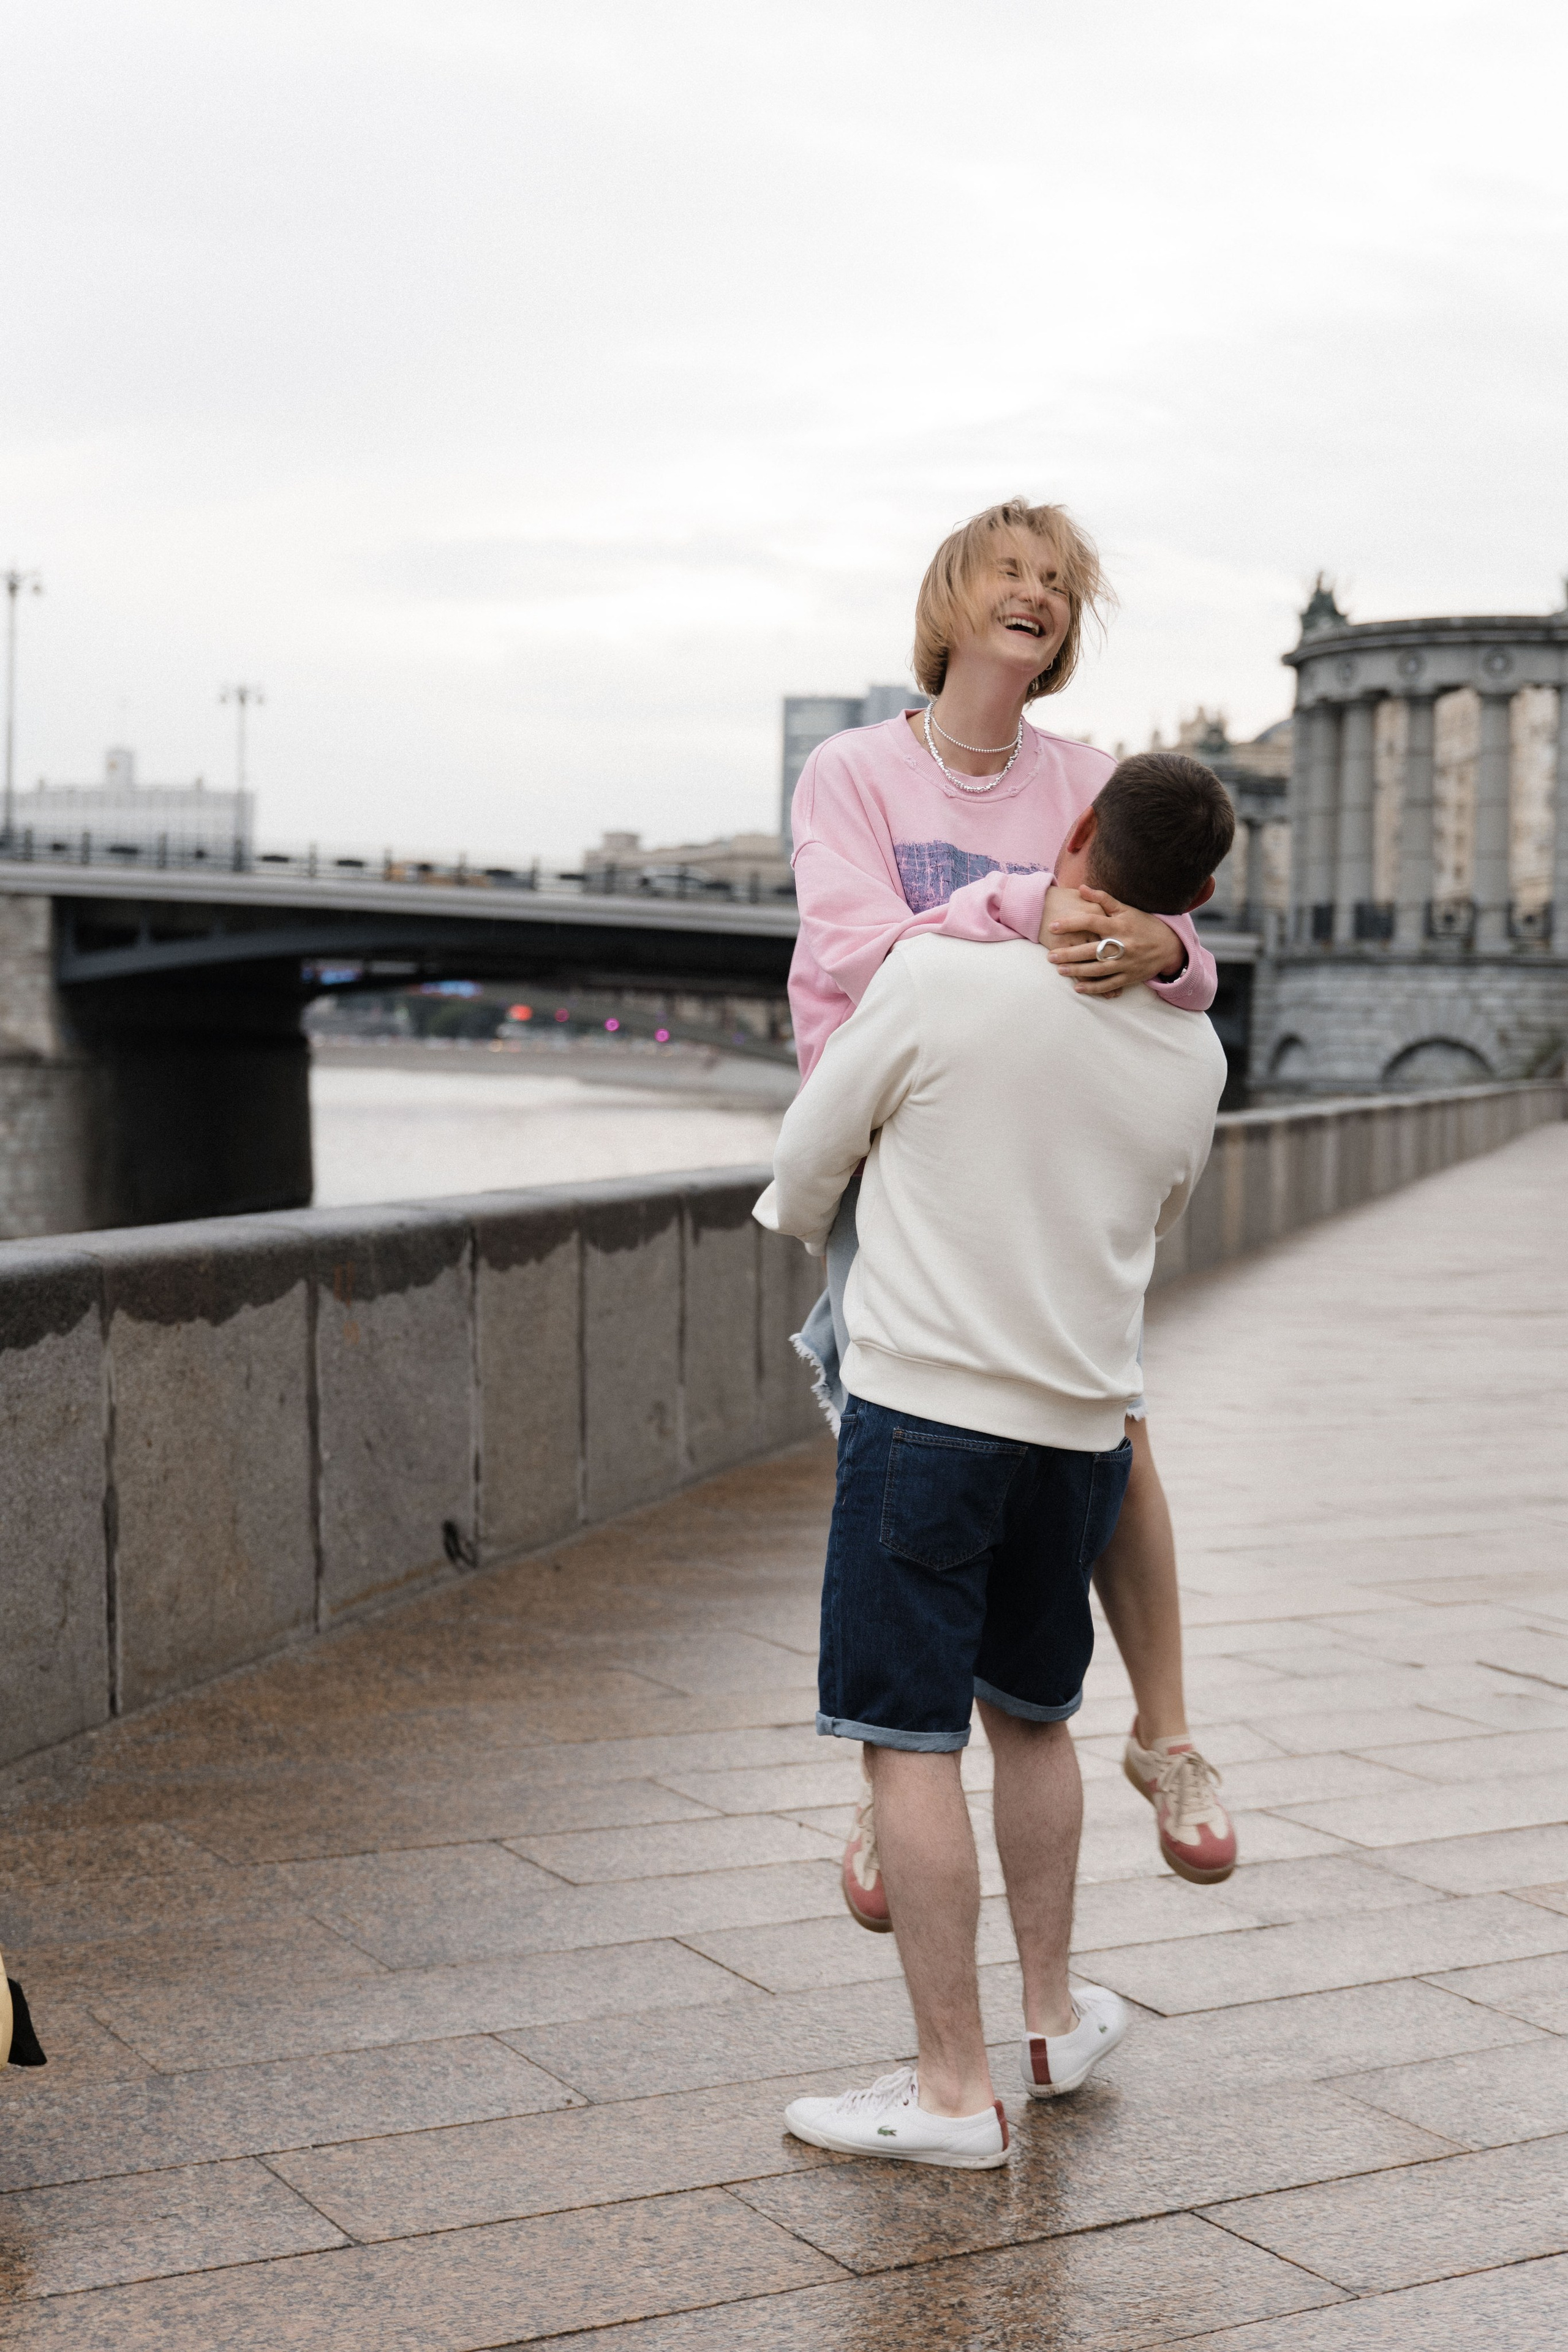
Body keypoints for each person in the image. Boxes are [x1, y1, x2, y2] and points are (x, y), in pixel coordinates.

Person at [754, 752, 1232, 2166]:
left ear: (1073, 837)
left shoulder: (939, 982)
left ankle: (950, 2089)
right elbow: (1153, 1214)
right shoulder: (1195, 1051)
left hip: (925, 1424)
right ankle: (1047, 2019)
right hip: (1079, 1434)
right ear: (1192, 901)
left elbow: (802, 1172)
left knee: (906, 1745)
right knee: (1035, 1720)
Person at [786, 499, 1235, 1904]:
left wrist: (1159, 937)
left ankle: (1166, 1739)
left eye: (1055, 582)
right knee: (897, 1455)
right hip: (894, 1154)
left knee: (1114, 1426)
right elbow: (852, 957)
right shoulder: (852, 773)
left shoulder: (1089, 776)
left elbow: (1183, 971)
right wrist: (1016, 908)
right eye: (1008, 572)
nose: (1033, 593)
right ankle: (895, 1781)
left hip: (1038, 1156)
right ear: (950, 597)